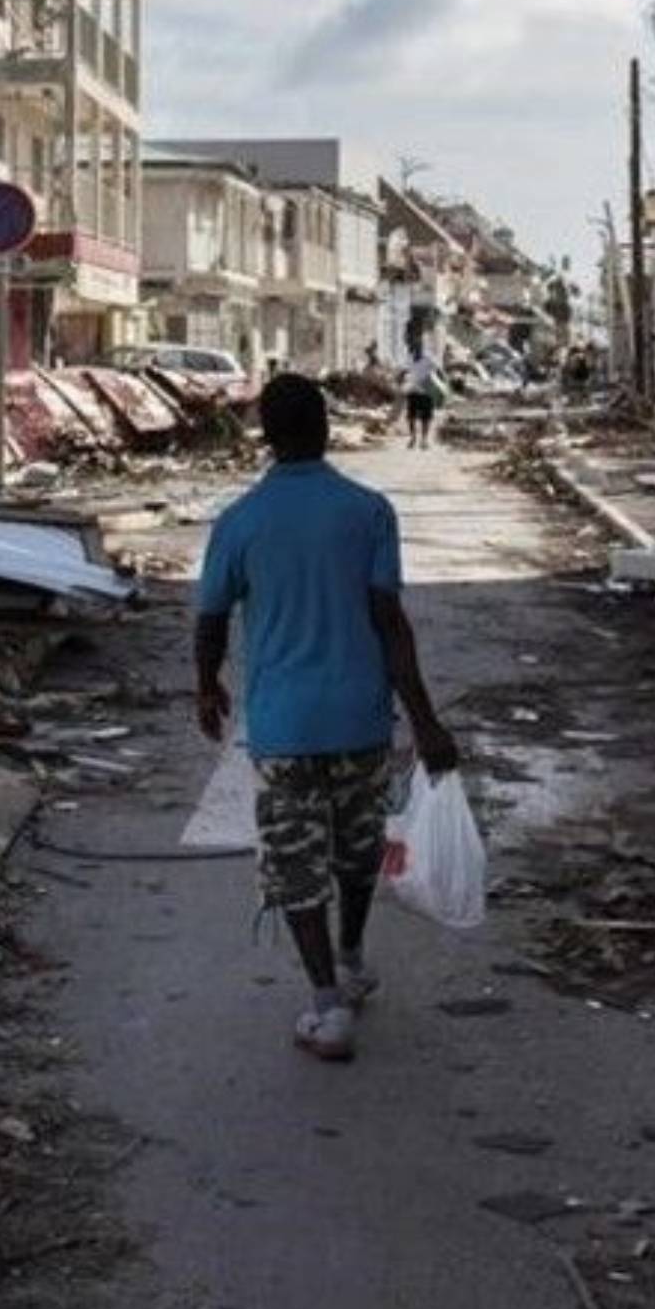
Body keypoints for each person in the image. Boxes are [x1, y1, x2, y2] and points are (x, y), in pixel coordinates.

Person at [194, 375, 459, 1063]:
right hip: (360, 718)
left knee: (294, 864)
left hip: (283, 727)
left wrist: (206, 687)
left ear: (266, 436)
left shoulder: (240, 520)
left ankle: (325, 1004)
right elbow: (390, 623)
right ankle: (352, 957)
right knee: (356, 849)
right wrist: (425, 723)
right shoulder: (368, 512)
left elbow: (211, 619)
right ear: (327, 429)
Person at [403, 347, 440, 449]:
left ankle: (424, 440)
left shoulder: (428, 357)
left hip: (426, 391)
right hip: (412, 390)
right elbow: (405, 370)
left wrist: (431, 382)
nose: (415, 349)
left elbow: (437, 369)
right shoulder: (409, 357)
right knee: (411, 416)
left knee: (426, 417)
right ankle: (413, 437)